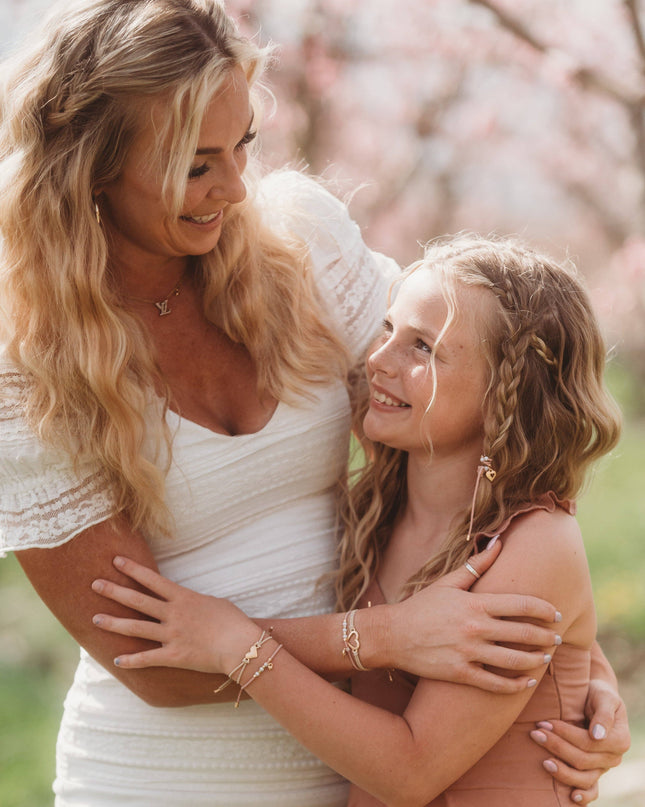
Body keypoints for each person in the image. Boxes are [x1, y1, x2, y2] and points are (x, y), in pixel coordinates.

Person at [0, 0, 627, 803]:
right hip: (160, 775)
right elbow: (148, 659)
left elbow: (481, 416)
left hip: (355, 761)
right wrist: (387, 636)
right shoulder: (28, 368)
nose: (232, 188)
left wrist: (573, 659)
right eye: (195, 164)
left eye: (243, 147)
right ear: (93, 167)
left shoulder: (302, 244)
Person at [91, 234, 629, 806]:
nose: (378, 359)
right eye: (388, 329)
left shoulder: (535, 541)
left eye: (422, 347)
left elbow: (409, 772)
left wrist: (237, 642)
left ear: (506, 395)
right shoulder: (382, 503)